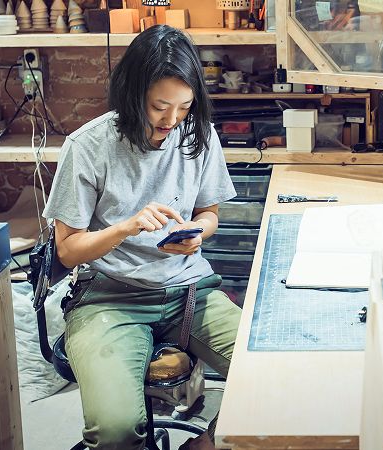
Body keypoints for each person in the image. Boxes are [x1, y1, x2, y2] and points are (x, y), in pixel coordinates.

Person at [42, 25, 240, 449]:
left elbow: (209, 213)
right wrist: (125, 227)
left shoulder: (198, 136)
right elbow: (68, 249)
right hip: (110, 297)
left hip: (189, 289)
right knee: (114, 430)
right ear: (133, 95)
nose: (172, 121)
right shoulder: (88, 145)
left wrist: (197, 233)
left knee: (276, 377)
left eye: (184, 107)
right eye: (159, 106)